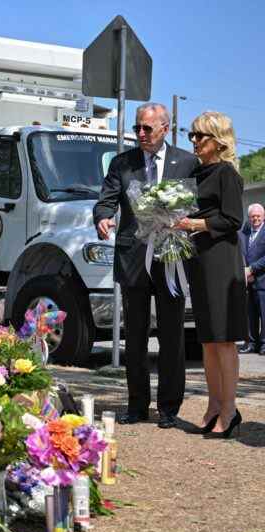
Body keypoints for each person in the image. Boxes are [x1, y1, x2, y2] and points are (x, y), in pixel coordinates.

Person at [93, 102, 198, 429]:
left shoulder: (188, 162)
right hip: (134, 258)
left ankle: (169, 407)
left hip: (171, 260)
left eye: (147, 128)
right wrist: (103, 217)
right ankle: (137, 404)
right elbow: (106, 199)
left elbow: (197, 206)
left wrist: (186, 222)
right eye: (137, 128)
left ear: (165, 129)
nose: (140, 134)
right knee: (135, 336)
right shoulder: (122, 163)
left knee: (171, 336)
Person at [175, 111, 247, 438]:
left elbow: (233, 220)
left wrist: (195, 224)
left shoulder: (227, 174)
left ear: (217, 141)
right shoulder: (198, 172)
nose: (193, 141)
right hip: (199, 258)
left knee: (224, 338)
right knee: (206, 338)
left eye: (199, 136)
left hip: (220, 259)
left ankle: (230, 408)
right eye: (191, 135)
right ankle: (214, 404)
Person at [239, 204, 265, 354]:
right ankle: (251, 343)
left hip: (262, 279)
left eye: (258, 216)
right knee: (250, 315)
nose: (255, 218)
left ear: (263, 216)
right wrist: (244, 271)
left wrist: (252, 269)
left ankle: (264, 344)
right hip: (247, 281)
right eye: (252, 216)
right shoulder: (245, 232)